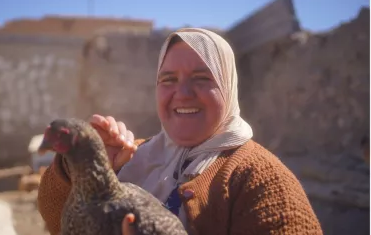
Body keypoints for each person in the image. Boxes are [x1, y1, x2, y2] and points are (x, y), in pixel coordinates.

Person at [37, 28, 323, 235]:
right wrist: (86, 167)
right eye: (168, 79)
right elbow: (54, 218)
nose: (182, 94)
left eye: (201, 78)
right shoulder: (132, 153)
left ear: (228, 86)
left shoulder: (261, 178)